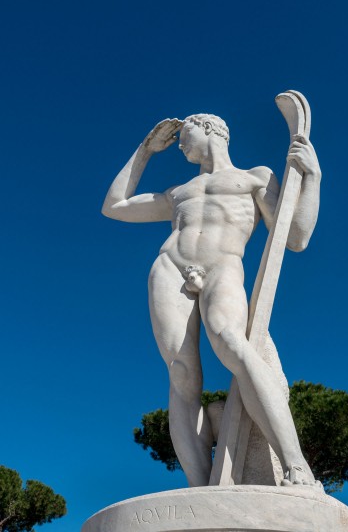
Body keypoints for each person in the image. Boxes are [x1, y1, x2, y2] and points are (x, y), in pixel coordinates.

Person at [102, 114, 321, 487]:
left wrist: (312, 177)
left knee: (232, 344)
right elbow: (115, 206)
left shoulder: (256, 177)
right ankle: (201, 487)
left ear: (210, 130)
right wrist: (144, 152)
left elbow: (295, 237)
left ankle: (295, 464)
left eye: (185, 135)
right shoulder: (177, 193)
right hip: (171, 267)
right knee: (181, 373)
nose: (180, 145)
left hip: (223, 265)